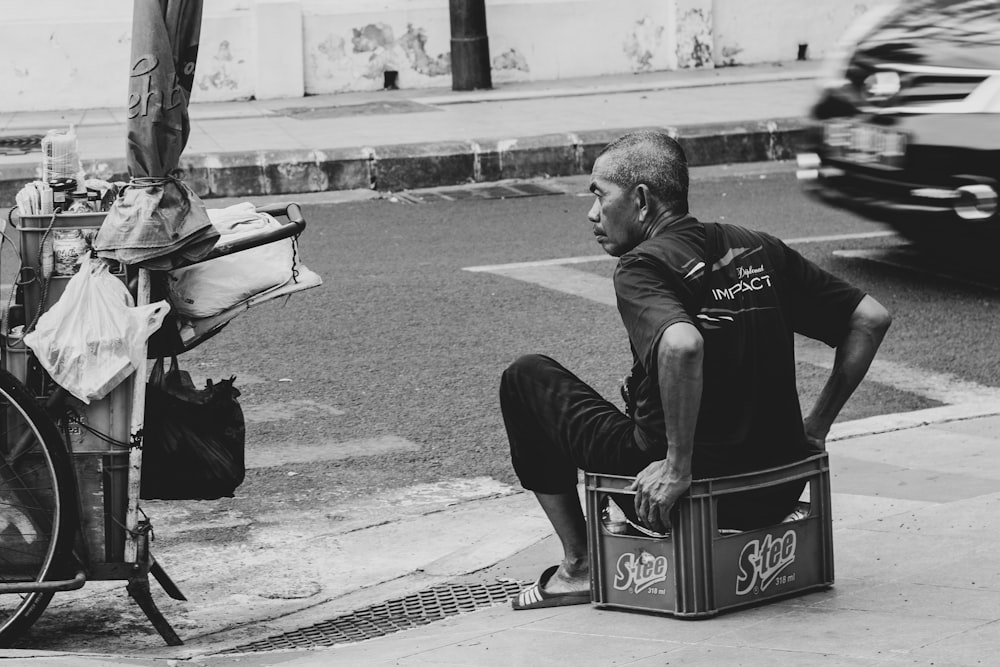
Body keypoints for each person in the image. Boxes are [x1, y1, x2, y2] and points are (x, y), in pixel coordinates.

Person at [500, 130, 891, 610]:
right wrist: (816, 427)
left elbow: (683, 346)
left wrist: (677, 467)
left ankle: (580, 567)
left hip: (688, 496)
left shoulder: (641, 265)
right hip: (777, 490)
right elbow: (870, 318)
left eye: (600, 195)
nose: (592, 213)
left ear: (641, 200)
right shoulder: (757, 248)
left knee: (525, 378)